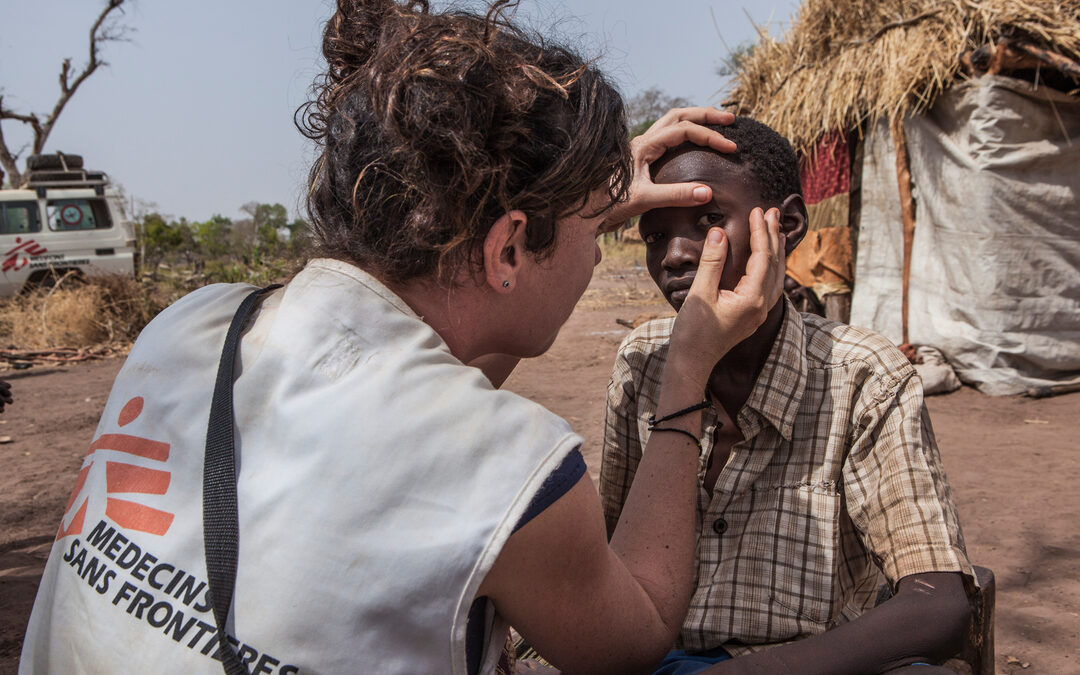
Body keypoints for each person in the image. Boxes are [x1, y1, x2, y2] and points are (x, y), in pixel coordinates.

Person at [20, 3, 787, 674]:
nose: (602, 250)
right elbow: (639, 632)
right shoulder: (510, 465)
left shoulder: (195, 323)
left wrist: (579, 203)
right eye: (599, 228)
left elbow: (429, 373)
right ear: (509, 248)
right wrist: (687, 369)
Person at [599, 117, 975, 675]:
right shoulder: (643, 360)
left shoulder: (861, 374)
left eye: (708, 222)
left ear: (788, 224)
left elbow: (938, 603)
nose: (675, 255)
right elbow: (609, 552)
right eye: (655, 235)